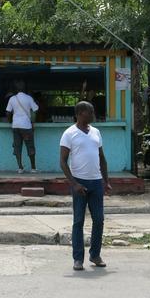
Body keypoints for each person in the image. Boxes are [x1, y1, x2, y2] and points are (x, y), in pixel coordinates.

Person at [59, 101, 111, 271]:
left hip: (96, 182)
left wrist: (106, 180)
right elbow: (62, 161)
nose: (93, 115)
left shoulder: (96, 132)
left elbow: (101, 157)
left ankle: (95, 255)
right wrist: (74, 184)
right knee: (78, 221)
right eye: (90, 112)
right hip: (79, 182)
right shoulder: (69, 134)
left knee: (99, 220)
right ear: (80, 113)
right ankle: (78, 259)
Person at [6, 80, 39, 173]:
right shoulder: (29, 98)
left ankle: (20, 168)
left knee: (17, 147)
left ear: (16, 89)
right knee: (30, 146)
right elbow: (35, 110)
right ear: (24, 89)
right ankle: (33, 168)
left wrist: (10, 122)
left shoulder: (12, 99)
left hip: (16, 126)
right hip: (26, 126)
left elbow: (8, 112)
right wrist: (33, 122)